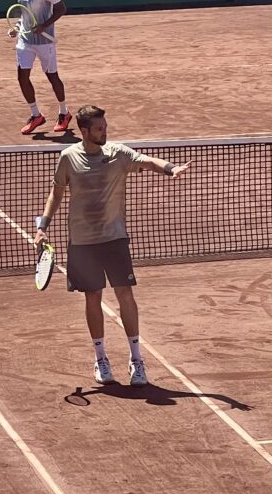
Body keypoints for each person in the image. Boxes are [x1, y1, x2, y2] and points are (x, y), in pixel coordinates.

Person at [34, 105, 190, 387]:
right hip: (82, 241)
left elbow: (147, 161)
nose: (105, 132)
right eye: (99, 129)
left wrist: (170, 168)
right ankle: (101, 358)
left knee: (125, 294)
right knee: (92, 297)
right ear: (84, 132)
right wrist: (42, 226)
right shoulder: (68, 158)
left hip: (114, 238)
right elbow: (56, 194)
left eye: (105, 127)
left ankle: (136, 359)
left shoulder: (118, 153)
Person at [12, 0, 72, 136]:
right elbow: (24, 15)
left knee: (52, 77)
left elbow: (61, 9)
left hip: (45, 41)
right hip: (25, 41)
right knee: (22, 77)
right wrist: (17, 27)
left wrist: (44, 25)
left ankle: (64, 112)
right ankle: (36, 115)